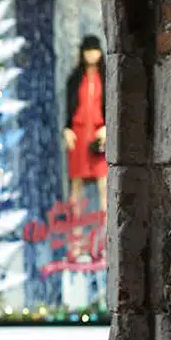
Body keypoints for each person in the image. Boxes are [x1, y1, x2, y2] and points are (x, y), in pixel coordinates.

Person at [63, 34, 108, 212]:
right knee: (76, 184)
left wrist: (107, 127)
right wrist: (66, 129)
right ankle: (77, 234)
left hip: (99, 134)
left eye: (94, 50)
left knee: (103, 183)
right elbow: (69, 105)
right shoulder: (75, 79)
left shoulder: (105, 78)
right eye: (87, 51)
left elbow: (109, 104)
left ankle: (107, 229)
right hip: (79, 133)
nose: (91, 55)